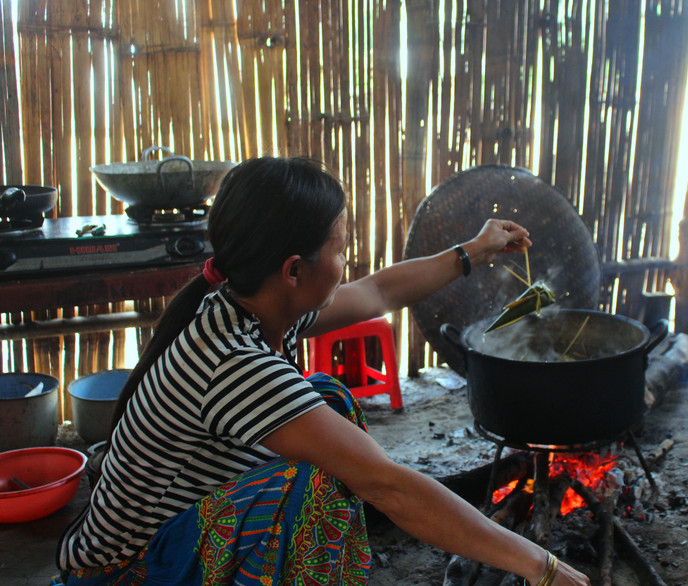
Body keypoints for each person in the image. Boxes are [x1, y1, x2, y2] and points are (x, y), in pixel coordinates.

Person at [55, 156, 590, 586]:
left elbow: (378, 290)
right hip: (127, 572)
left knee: (325, 397)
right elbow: (390, 486)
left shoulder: (255, 304)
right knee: (315, 484)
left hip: (177, 532)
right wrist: (541, 566)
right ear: (294, 271)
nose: (346, 261)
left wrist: (475, 248)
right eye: (340, 248)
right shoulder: (232, 362)